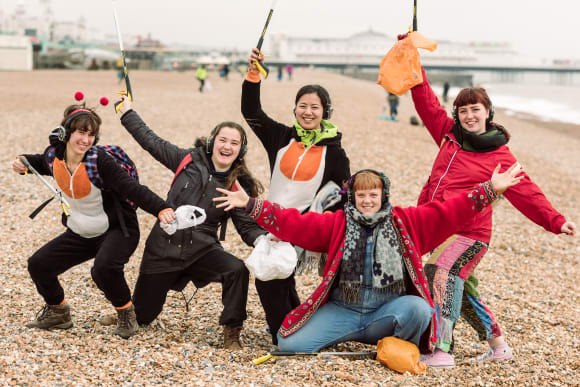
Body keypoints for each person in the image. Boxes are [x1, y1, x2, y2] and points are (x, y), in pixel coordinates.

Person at [214, 166, 524, 353]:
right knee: (288, 344)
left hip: (386, 311)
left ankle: (391, 342)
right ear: (353, 198)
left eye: (373, 194)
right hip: (344, 311)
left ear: (383, 196)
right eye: (361, 195)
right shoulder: (337, 224)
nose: (367, 200)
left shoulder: (408, 222)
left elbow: (449, 212)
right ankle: (362, 338)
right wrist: (251, 205)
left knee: (418, 308)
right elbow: (295, 222)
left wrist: (489, 190)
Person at [410, 64, 577, 367]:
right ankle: (498, 346)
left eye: (475, 109)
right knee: (463, 289)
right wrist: (412, 61)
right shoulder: (449, 135)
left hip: (470, 234)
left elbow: (527, 192)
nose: (469, 116)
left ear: (488, 112)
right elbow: (426, 101)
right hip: (438, 226)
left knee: (440, 274)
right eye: (463, 111)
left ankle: (440, 349)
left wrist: (555, 220)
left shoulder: (500, 155)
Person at [12, 102, 175, 339]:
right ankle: (58, 312)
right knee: (39, 264)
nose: (86, 140)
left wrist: (161, 209)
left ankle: (127, 314)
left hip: (117, 230)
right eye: (80, 132)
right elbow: (35, 162)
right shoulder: (53, 157)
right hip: (81, 231)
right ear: (65, 133)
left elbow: (132, 189)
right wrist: (21, 162)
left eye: (91, 134)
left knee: (104, 269)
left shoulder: (99, 161)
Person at [117, 95, 267, 350]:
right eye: (222, 140)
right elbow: (151, 141)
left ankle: (232, 331)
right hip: (163, 248)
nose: (227, 146)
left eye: (234, 143)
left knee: (236, 270)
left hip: (202, 250)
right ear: (212, 142)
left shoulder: (237, 185)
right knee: (143, 317)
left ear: (240, 150)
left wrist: (264, 240)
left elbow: (246, 227)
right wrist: (126, 113)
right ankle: (127, 311)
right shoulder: (186, 160)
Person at [242, 48, 351, 345]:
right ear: (295, 109)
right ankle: (295, 327)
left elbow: (344, 194)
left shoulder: (335, 153)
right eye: (302, 106)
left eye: (315, 107)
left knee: (268, 278)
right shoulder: (280, 137)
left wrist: (324, 228)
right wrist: (254, 74)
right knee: (279, 277)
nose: (308, 112)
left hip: (302, 227)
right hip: (270, 222)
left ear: (325, 113)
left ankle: (284, 334)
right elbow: (251, 112)